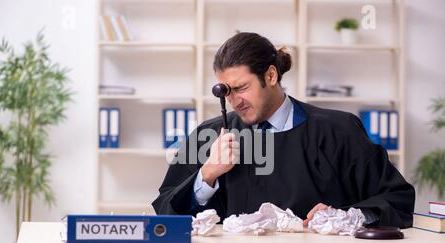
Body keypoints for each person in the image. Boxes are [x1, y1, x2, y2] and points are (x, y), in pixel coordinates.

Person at [152, 32, 415, 228]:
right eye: (227, 91)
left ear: (270, 76)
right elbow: (165, 214)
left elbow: (398, 199)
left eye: (242, 88)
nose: (235, 100)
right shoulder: (207, 138)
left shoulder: (339, 131)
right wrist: (207, 175)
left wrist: (345, 216)